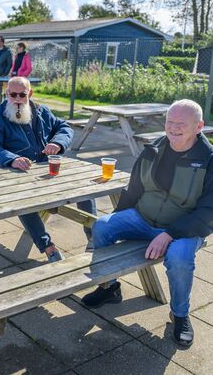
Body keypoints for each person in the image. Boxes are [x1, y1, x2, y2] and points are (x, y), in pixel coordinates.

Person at [81, 99, 213, 347]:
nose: (173, 128)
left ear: (199, 127)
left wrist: (169, 234)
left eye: (181, 124)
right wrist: (118, 219)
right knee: (102, 226)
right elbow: (133, 189)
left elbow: (209, 211)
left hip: (185, 229)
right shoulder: (153, 149)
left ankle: (180, 315)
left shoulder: (209, 159)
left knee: (180, 258)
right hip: (143, 218)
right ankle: (110, 288)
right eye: (170, 122)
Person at [0, 76, 96, 262]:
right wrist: (12, 159)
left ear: (30, 94)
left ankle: (94, 237)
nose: (17, 99)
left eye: (22, 94)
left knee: (84, 187)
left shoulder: (42, 111)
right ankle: (48, 247)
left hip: (46, 170)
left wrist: (57, 143)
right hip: (15, 176)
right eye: (13, 95)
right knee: (23, 199)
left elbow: (64, 128)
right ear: (6, 93)